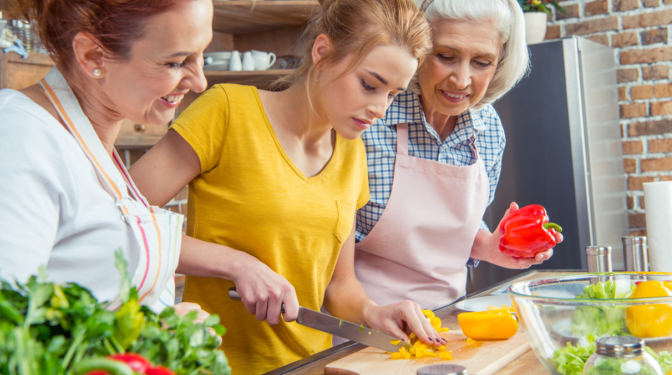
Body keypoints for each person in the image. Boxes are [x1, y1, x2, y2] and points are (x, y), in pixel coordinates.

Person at [127, 0, 437, 373]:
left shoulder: (353, 154)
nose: (380, 108)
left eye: (393, 94)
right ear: (322, 52)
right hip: (216, 364)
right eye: (369, 85)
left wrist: (374, 311)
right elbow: (123, 221)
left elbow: (339, 287)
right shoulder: (227, 111)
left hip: (312, 366)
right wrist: (237, 265)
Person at [0, 0, 213, 319]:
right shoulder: (20, 137)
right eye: (176, 62)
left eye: (202, 55)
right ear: (92, 56)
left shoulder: (91, 143)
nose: (200, 82)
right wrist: (155, 335)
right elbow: (9, 335)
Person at [354, 0, 563, 310]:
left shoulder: (488, 129)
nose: (462, 80)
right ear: (419, 48)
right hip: (362, 326)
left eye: (482, 62)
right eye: (446, 56)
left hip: (449, 319)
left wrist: (490, 247)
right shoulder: (369, 120)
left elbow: (450, 231)